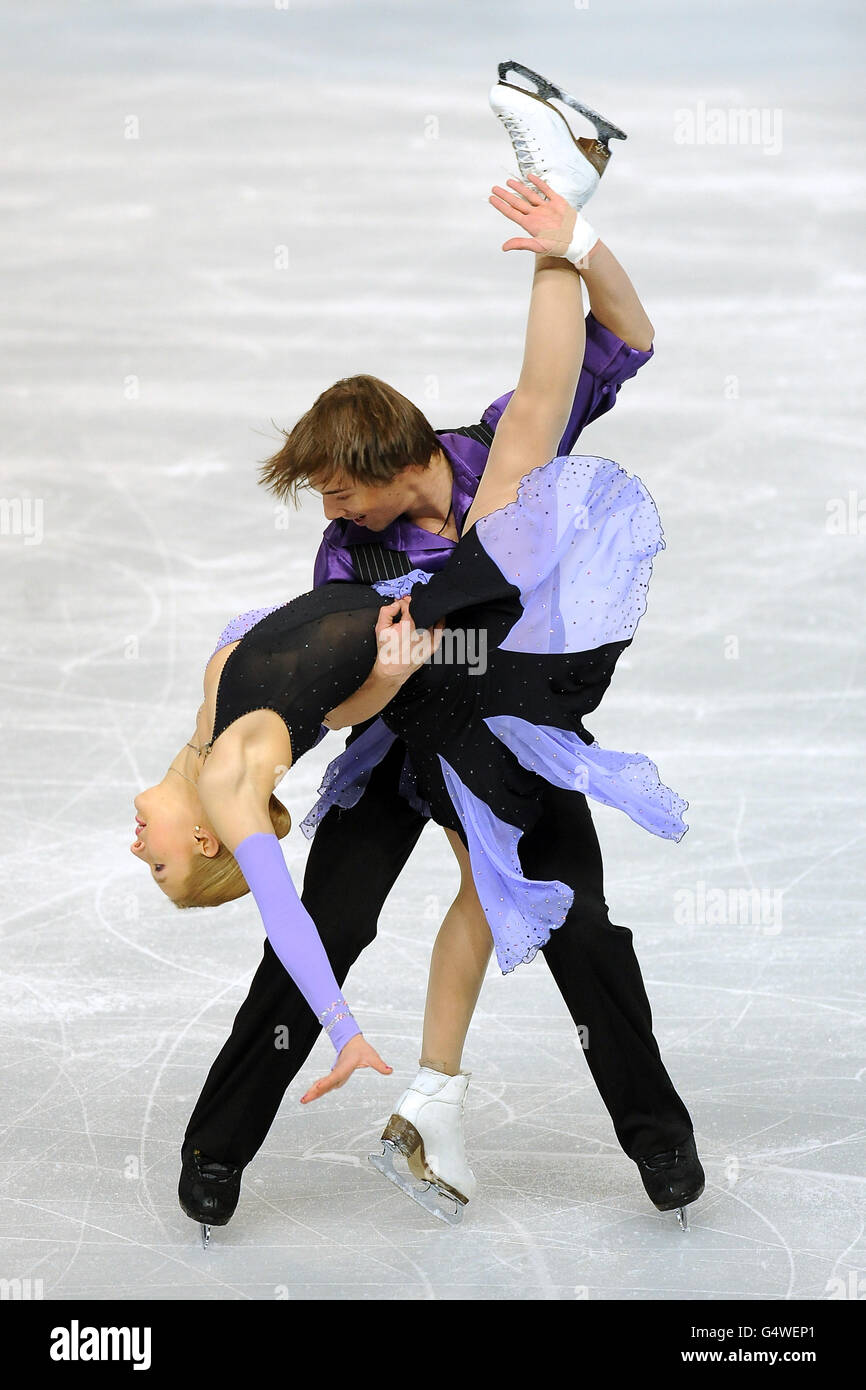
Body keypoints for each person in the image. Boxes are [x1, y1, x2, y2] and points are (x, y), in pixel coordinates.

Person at [175, 66, 704, 1236]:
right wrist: (385, 674)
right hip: (403, 745)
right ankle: (216, 1144)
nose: (328, 511)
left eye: (336, 487)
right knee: (323, 933)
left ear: (386, 460)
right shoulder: (347, 559)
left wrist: (577, 245)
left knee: (579, 927)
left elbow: (626, 337)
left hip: (512, 732)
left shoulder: (491, 455)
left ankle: (657, 1136)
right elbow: (346, 705)